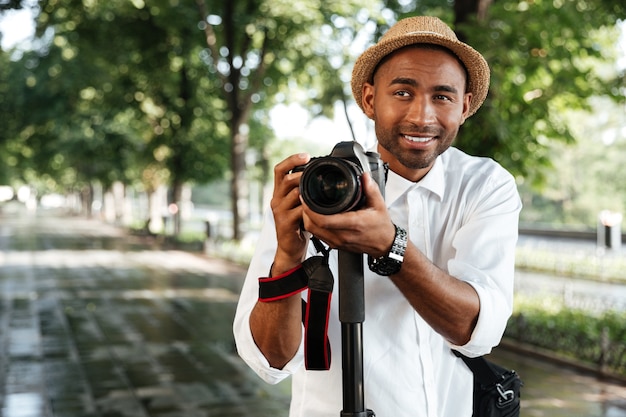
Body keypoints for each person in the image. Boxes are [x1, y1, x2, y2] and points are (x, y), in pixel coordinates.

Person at [233, 15, 522, 417]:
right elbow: (270, 361)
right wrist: (287, 254)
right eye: (403, 92)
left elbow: (476, 331)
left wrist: (390, 245)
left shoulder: (484, 186)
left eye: (442, 96)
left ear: (465, 105)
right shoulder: (318, 189)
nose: (422, 116)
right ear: (370, 100)